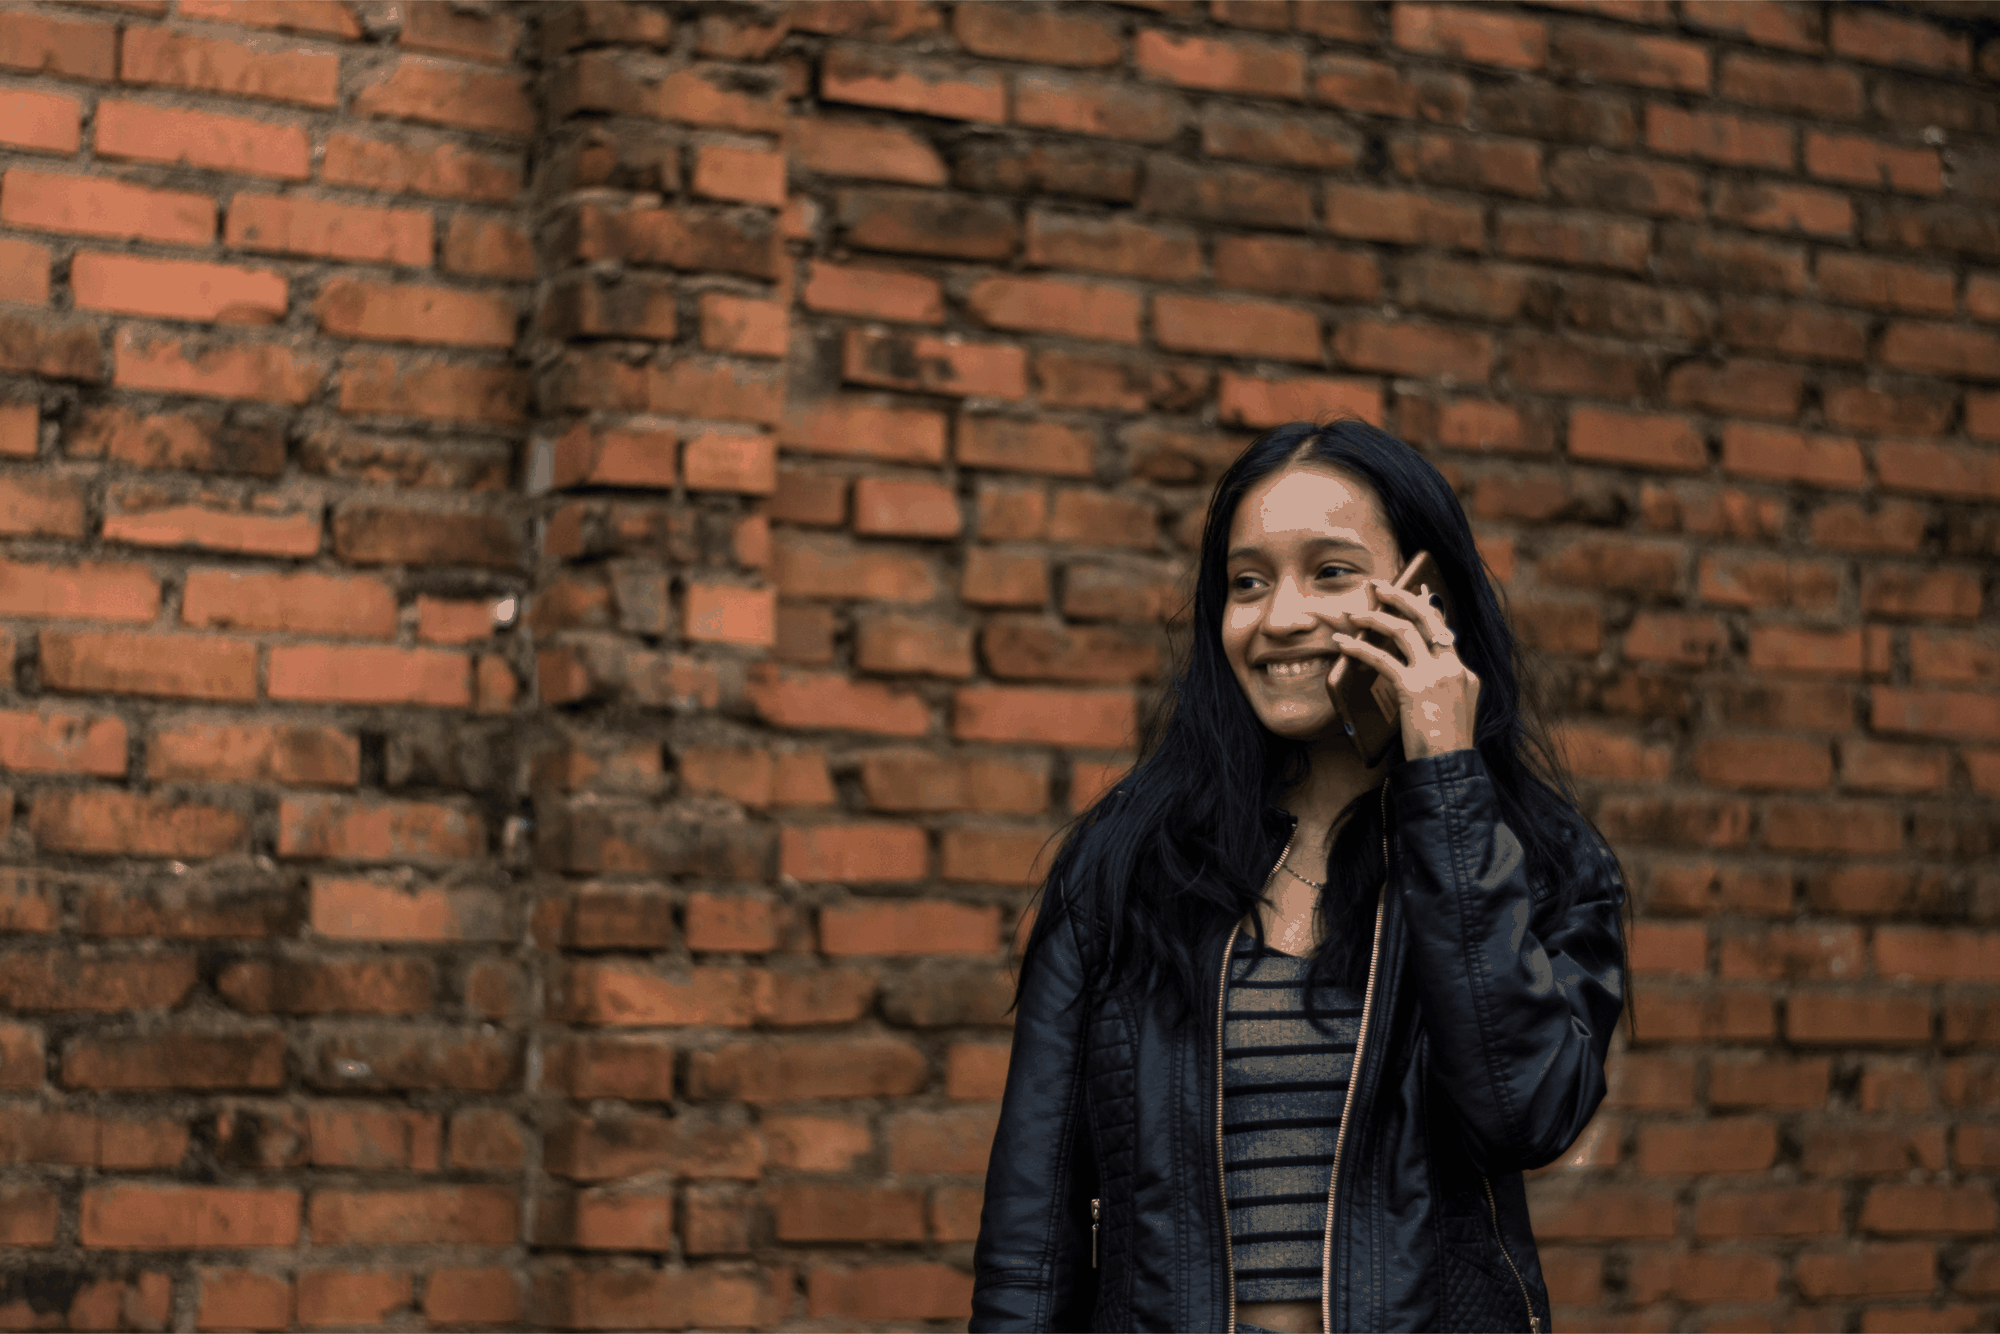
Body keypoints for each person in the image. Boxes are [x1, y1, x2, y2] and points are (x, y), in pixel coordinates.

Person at [970, 419, 1628, 1333]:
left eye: (1330, 572)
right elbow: (1028, 1237)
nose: (1281, 617)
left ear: (1425, 595)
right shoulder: (1127, 864)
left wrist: (1443, 777)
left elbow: (1527, 1116)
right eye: (1247, 582)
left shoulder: (1538, 859)